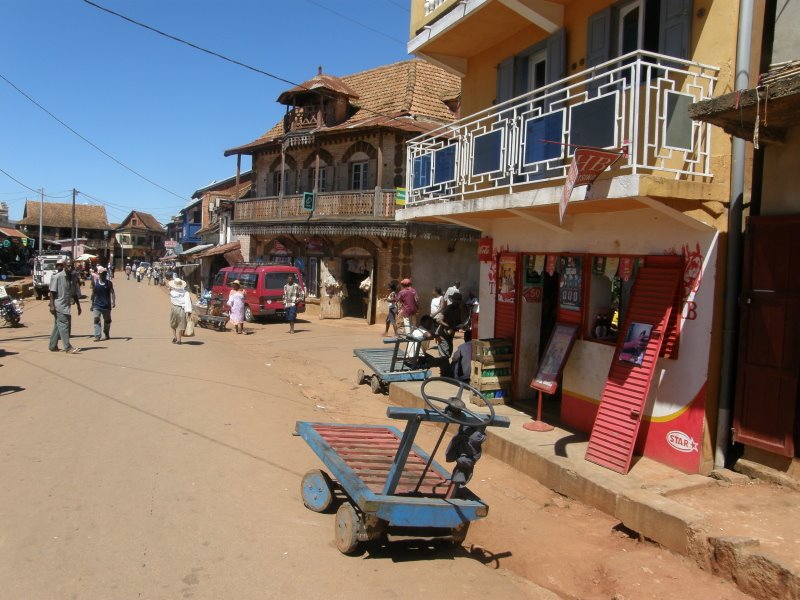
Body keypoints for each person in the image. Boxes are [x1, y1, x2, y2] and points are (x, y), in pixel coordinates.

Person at [48, 257, 82, 354]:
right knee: (65, 325)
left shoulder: (73, 277)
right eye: (68, 266)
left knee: (58, 326)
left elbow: (74, 292)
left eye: (72, 266)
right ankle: (68, 347)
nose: (70, 268)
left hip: (66, 305)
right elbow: (52, 292)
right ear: (64, 266)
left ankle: (52, 346)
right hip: (59, 305)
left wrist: (79, 306)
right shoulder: (57, 277)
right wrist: (52, 306)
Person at [90, 266, 115, 341]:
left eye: (104, 273)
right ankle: (97, 335)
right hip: (97, 305)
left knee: (107, 321)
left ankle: (106, 333)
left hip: (106, 306)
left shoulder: (109, 283)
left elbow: (112, 293)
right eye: (101, 273)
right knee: (96, 319)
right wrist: (92, 304)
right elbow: (93, 294)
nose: (103, 275)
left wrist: (113, 302)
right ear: (99, 274)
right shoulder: (96, 283)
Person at [168, 277, 193, 345]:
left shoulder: (172, 292)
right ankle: (179, 340)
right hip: (182, 309)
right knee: (180, 324)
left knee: (173, 323)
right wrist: (189, 312)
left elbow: (170, 294)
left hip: (174, 308)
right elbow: (188, 302)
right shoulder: (186, 293)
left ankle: (174, 337)